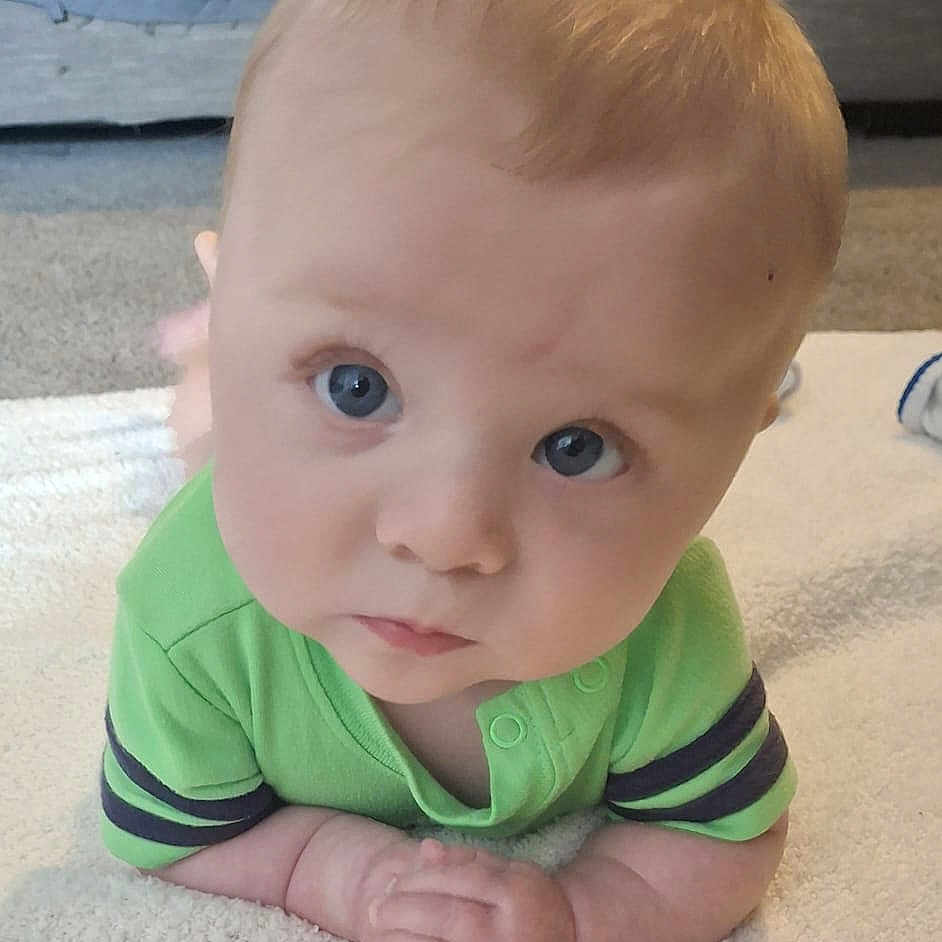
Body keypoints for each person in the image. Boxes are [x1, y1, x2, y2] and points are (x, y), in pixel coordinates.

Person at [101, 1, 848, 940]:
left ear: (736, 454)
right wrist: (329, 868)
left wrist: (584, 911)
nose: (445, 533)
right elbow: (167, 835)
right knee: (207, 435)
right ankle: (213, 369)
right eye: (355, 386)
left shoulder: (668, 633)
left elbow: (725, 832)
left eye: (578, 446)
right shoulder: (188, 620)